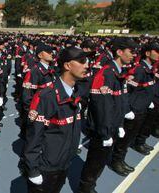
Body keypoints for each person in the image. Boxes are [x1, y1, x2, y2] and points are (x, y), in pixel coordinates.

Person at [24, 47, 88, 193]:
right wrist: (33, 170)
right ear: (67, 65)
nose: (86, 65)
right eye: (81, 61)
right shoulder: (47, 96)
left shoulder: (76, 92)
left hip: (64, 162)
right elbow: (34, 136)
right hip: (46, 167)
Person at [79, 38, 138, 193]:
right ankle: (85, 188)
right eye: (131, 51)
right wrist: (105, 133)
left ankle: (90, 186)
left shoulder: (119, 73)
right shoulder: (106, 74)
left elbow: (121, 99)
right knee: (95, 161)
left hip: (112, 125)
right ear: (119, 52)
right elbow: (101, 107)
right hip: (102, 128)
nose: (134, 55)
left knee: (102, 160)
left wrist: (119, 125)